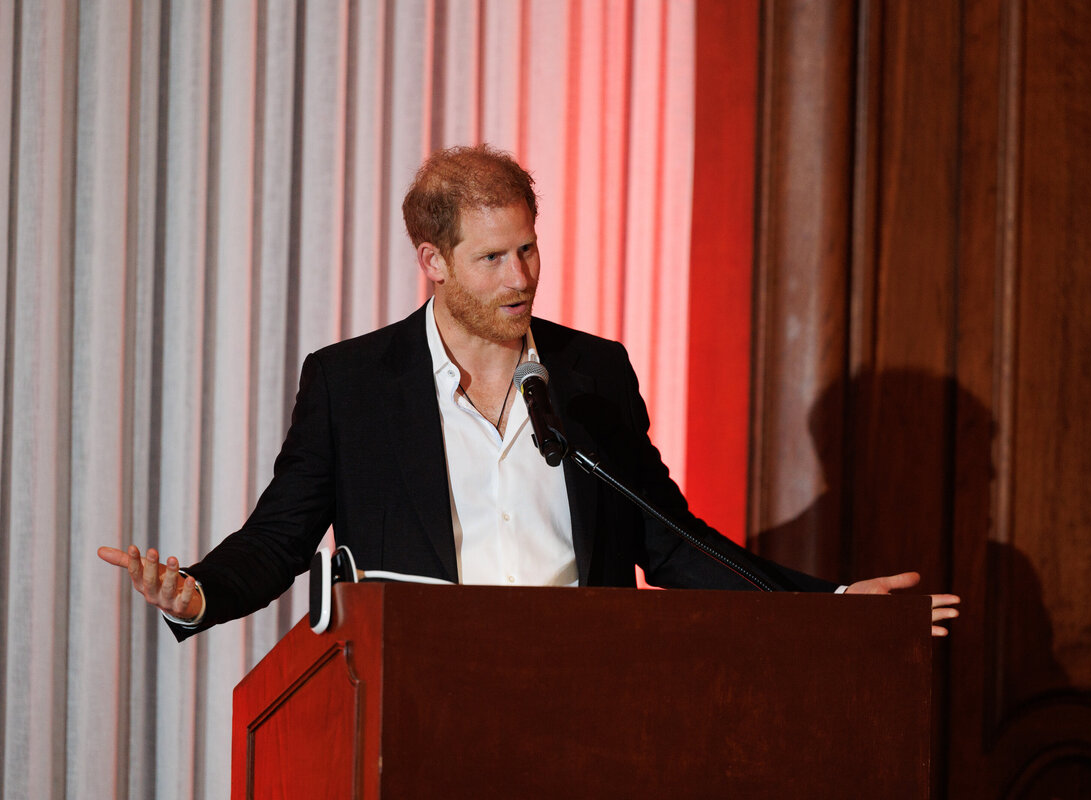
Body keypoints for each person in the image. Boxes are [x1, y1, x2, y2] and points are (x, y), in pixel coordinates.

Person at [99, 144, 959, 638]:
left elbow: (670, 543)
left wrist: (835, 607)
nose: (521, 279)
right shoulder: (351, 385)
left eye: (529, 250)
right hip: (425, 709)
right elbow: (282, 536)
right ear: (432, 264)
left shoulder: (594, 375)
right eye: (492, 258)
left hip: (586, 711)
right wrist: (201, 591)